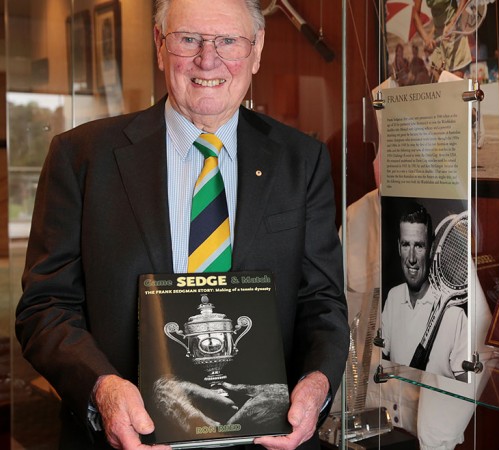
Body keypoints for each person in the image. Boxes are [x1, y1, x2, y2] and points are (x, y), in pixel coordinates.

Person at [14, 0, 349, 449]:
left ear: (257, 49)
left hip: (265, 440)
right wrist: (102, 389)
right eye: (188, 39)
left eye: (228, 40)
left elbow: (322, 301)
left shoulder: (301, 160)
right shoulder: (82, 157)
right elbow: (45, 306)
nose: (207, 60)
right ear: (159, 45)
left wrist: (318, 383)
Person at [380, 202, 471, 381]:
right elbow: (381, 360)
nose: (412, 258)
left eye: (419, 246)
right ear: (399, 247)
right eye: (406, 245)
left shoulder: (455, 315)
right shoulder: (393, 297)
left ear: (430, 250)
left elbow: (467, 390)